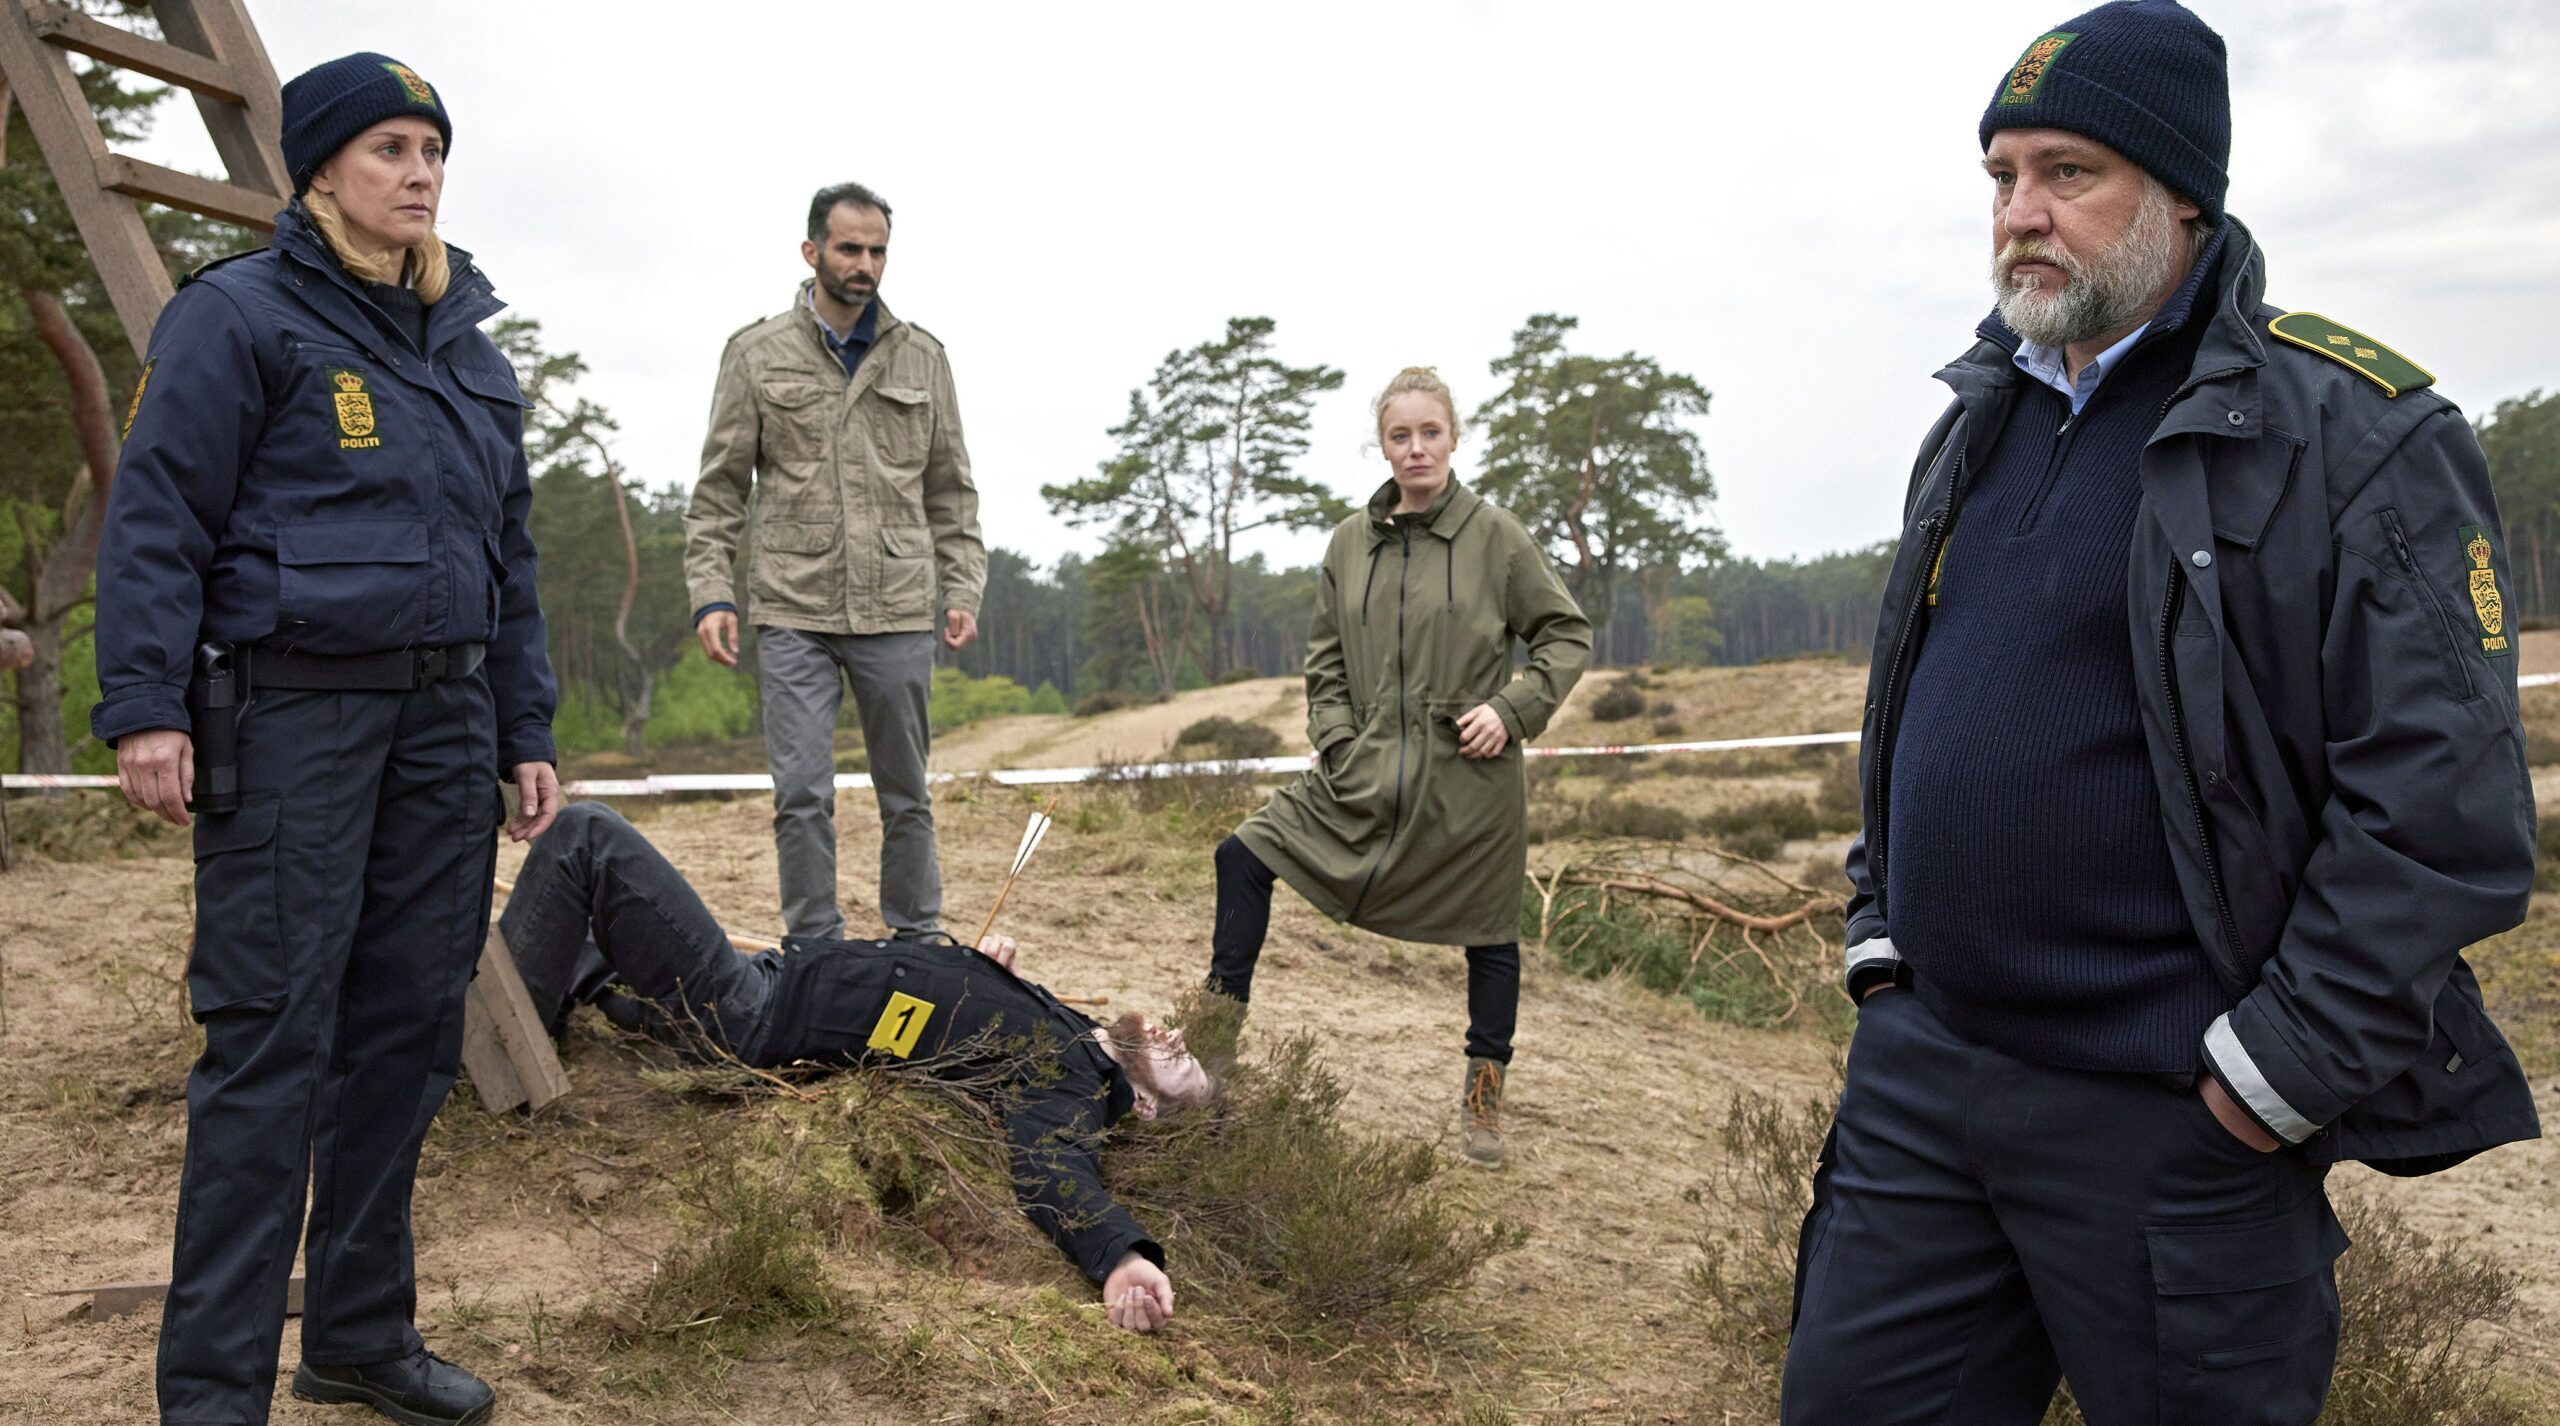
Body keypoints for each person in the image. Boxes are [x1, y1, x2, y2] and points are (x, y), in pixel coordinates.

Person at [1789, 5, 2542, 1423]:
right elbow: (1913, 703)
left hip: (2174, 1116)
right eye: (2002, 176)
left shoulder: (2355, 435)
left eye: (2067, 173)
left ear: (2181, 191)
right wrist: (1882, 941)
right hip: (1925, 1086)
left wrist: (2267, 1079)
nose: (2020, 214)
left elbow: (2446, 811)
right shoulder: (1978, 415)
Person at [89, 52, 559, 1426]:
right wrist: (145, 704)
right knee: (269, 1045)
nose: (419, 175)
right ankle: (212, 1397)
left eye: (433, 151)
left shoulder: (467, 347)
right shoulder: (235, 315)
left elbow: (510, 557)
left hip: (446, 724)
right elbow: (157, 513)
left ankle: (357, 1335)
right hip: (295, 714)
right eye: (389, 150)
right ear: (320, 171)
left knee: (406, 1037)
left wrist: (523, 722)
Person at [498, 802, 1218, 1331]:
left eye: (1180, 1062)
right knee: (603, 928)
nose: (1175, 1034)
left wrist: (1122, 1256)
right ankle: (557, 994)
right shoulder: (1067, 1028)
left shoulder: (1071, 1082)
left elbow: (1051, 1168)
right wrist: (980, 974)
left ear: (1147, 1106)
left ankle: (501, 1042)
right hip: (771, 979)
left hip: (756, 1012)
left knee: (587, 835)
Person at [1204, 367, 1590, 1169]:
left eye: (1430, 433)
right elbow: (1325, 658)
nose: (1416, 449)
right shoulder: (1350, 543)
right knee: (1242, 853)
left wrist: (1511, 710)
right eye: (1400, 435)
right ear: (1382, 445)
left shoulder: (1497, 536)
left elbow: (1565, 634)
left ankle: (1483, 1102)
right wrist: (1339, 736)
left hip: (1470, 777)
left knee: (1490, 933)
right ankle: (1210, 1055)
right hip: (1365, 766)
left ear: (1454, 438)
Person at [684, 181, 986, 943]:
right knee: (801, 794)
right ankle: (814, 949)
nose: (865, 265)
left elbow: (951, 491)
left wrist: (963, 588)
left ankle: (917, 940)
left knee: (907, 794)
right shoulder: (756, 354)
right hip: (794, 606)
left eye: (878, 251)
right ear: (812, 251)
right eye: (850, 249)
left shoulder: (923, 357)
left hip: (897, 606)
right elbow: (719, 490)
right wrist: (711, 593)